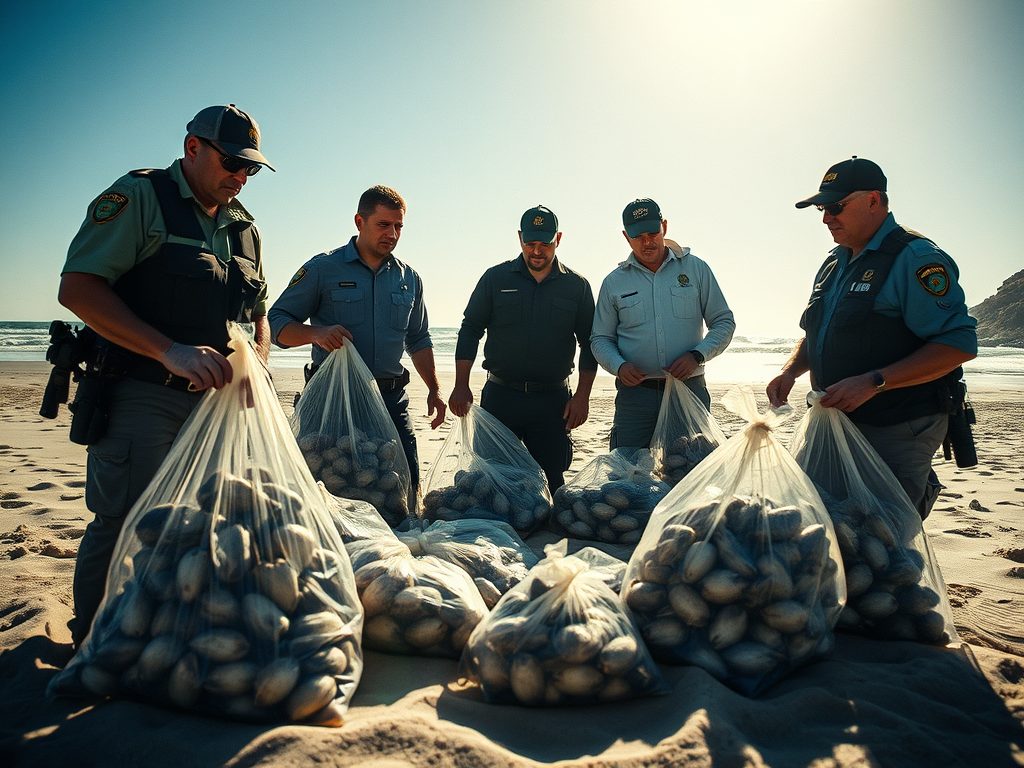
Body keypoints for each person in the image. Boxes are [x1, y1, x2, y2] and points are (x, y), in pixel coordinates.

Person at [57, 104, 275, 647]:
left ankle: (164, 639)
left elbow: (258, 314)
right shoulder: (140, 197)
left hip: (216, 408)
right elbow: (79, 289)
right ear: (193, 148)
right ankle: (94, 646)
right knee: (125, 520)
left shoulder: (245, 228)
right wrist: (166, 350)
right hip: (140, 394)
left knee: (202, 526)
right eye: (231, 162)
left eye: (250, 168)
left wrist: (260, 367)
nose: (240, 176)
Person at [766, 156, 978, 519]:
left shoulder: (915, 257)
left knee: (885, 536)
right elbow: (817, 331)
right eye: (821, 207)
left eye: (835, 207)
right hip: (836, 422)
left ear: (874, 201)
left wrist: (875, 382)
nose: (825, 217)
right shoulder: (835, 262)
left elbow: (958, 344)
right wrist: (790, 371)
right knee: (820, 526)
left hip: (897, 425)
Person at [268, 185, 445, 495]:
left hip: (390, 400)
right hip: (333, 401)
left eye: (399, 226)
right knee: (325, 492)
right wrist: (315, 333)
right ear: (359, 222)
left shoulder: (408, 278)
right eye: (383, 224)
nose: (392, 233)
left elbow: (418, 338)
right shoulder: (322, 268)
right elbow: (276, 322)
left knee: (404, 489)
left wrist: (434, 389)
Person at [448, 205, 598, 494]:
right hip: (501, 397)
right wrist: (460, 385)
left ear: (559, 238)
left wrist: (582, 397)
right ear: (520, 239)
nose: (537, 251)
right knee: (490, 480)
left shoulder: (576, 286)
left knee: (553, 480)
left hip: (552, 401)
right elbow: (470, 329)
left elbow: (589, 342)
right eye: (531, 244)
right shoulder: (495, 278)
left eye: (546, 243)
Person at [591, 198, 735, 449]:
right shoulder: (614, 282)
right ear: (626, 237)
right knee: (627, 473)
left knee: (689, 471)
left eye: (652, 232)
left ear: (664, 226)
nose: (647, 242)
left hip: (688, 391)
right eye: (638, 236)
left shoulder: (696, 269)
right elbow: (600, 338)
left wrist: (697, 356)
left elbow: (723, 321)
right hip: (635, 397)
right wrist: (619, 366)